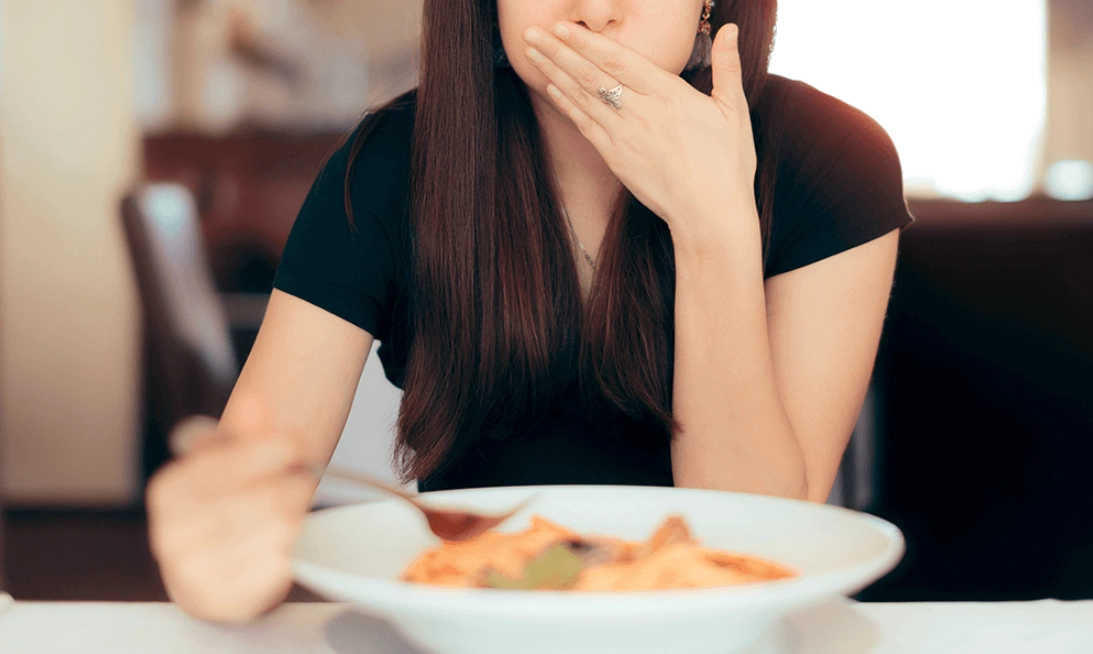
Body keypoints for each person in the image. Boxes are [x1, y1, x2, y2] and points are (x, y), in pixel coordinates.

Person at [146, 0, 914, 622]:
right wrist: (216, 554)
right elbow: (253, 474)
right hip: (471, 625)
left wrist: (711, 225)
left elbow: (758, 539)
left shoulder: (833, 156)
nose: (594, 10)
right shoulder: (388, 164)